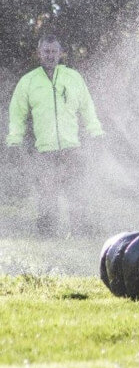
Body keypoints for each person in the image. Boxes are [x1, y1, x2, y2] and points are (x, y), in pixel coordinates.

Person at [5, 34, 105, 235]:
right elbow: (17, 114)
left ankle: (81, 232)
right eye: (46, 51)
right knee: (46, 194)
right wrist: (14, 140)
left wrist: (96, 131)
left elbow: (87, 108)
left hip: (71, 148)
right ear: (39, 54)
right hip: (45, 150)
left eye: (54, 51)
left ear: (60, 54)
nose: (50, 55)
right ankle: (47, 233)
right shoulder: (28, 82)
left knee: (77, 193)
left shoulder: (73, 78)